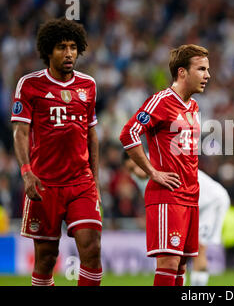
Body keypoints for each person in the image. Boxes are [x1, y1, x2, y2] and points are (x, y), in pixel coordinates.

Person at [11, 18, 102, 286]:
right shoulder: (29, 85)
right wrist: (27, 173)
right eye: (62, 47)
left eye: (73, 47)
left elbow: (91, 133)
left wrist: (95, 180)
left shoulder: (88, 85)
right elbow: (20, 132)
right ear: (48, 51)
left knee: (92, 249)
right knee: (47, 258)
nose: (69, 53)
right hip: (44, 184)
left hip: (80, 183)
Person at [119, 44, 210, 286]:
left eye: (207, 69)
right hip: (167, 196)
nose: (207, 75)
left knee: (180, 264)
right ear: (182, 72)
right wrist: (152, 172)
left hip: (190, 195)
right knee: (168, 263)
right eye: (201, 69)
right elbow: (128, 134)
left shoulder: (193, 106)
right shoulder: (160, 101)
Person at [125, 157, 230, 286]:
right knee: (177, 253)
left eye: (136, 167)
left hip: (211, 202)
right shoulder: (140, 177)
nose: (135, 172)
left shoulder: (157, 162)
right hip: (187, 204)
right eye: (131, 169)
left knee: (200, 247)